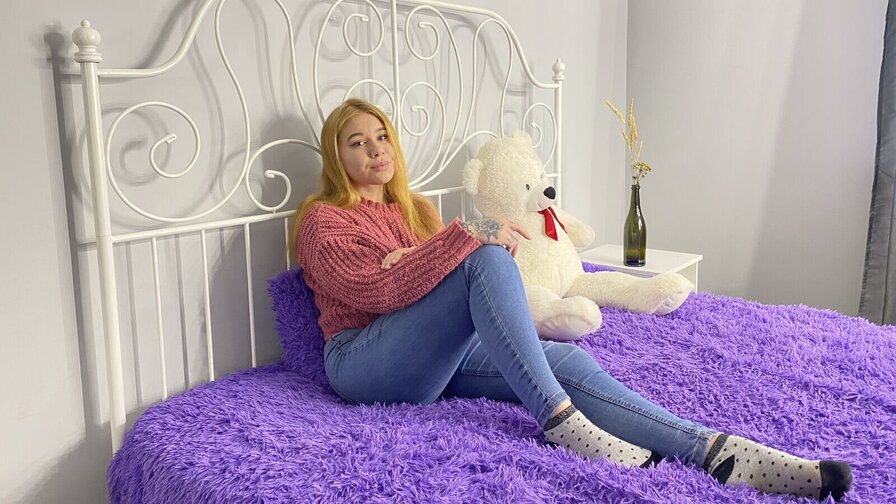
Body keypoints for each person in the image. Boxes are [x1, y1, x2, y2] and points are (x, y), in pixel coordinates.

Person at [291, 98, 852, 501]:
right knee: (485, 256)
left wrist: (432, 251)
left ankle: (714, 450)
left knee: (564, 359)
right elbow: (380, 290)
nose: (375, 149)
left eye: (381, 136)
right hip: (364, 362)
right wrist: (465, 239)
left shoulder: (416, 210)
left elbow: (429, 281)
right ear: (335, 157)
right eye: (356, 142)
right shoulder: (323, 220)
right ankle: (558, 419)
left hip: (428, 358)